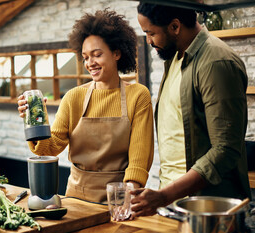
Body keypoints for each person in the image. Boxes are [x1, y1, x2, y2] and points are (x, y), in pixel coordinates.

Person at [18, 9, 154, 204]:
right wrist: (34, 121)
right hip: (76, 197)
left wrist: (124, 200)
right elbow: (50, 148)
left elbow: (139, 161)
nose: (90, 63)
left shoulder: (138, 96)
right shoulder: (74, 97)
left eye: (97, 55)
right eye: (86, 57)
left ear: (116, 53)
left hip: (119, 197)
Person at [130, 3, 251, 217]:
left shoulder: (216, 62)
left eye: (151, 33)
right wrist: (163, 197)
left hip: (208, 211)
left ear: (175, 26)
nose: (148, 41)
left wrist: (164, 195)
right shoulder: (176, 57)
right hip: (173, 207)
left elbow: (225, 149)